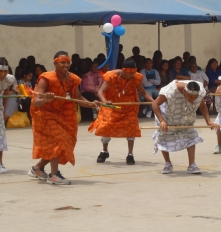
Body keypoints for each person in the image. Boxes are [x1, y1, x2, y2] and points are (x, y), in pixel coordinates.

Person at [28, 51, 99, 185]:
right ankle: (54, 175)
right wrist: (46, 99)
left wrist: (91, 104)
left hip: (66, 116)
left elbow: (77, 98)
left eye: (68, 62)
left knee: (64, 143)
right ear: (55, 63)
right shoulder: (45, 78)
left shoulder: (73, 79)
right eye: (62, 62)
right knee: (58, 140)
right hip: (46, 114)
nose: (66, 65)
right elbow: (37, 101)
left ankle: (37, 168)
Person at [89, 58, 154, 165]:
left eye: (132, 72)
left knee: (131, 128)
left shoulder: (136, 77)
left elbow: (143, 92)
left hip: (129, 108)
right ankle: (104, 151)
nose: (130, 75)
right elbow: (100, 92)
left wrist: (153, 101)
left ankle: (130, 154)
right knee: (106, 126)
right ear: (123, 70)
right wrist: (105, 101)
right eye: (128, 73)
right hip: (112, 106)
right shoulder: (112, 76)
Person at [152, 80, 218, 174]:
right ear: (184, 91)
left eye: (195, 97)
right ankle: (168, 163)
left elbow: (202, 106)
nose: (193, 99)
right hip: (167, 115)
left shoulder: (199, 92)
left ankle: (192, 165)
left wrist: (208, 121)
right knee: (163, 137)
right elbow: (155, 104)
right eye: (190, 96)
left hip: (186, 116)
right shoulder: (169, 91)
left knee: (190, 136)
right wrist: (162, 121)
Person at [0, 57, 16, 173]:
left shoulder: (8, 79)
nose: (3, 74)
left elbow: (5, 93)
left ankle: (0, 163)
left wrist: (4, 110)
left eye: (5, 71)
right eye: (0, 71)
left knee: (0, 136)